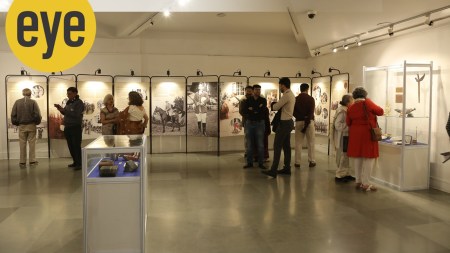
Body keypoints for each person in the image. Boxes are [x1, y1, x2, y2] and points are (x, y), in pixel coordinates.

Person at [346, 87, 384, 191]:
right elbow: (380, 111)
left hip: (355, 134)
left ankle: (358, 181)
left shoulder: (351, 107)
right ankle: (366, 183)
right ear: (365, 95)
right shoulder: (367, 103)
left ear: (354, 96)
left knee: (358, 157)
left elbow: (348, 122)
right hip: (367, 133)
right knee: (369, 158)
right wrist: (369, 101)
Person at [262, 77, 295, 178]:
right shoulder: (291, 94)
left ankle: (273, 170)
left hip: (284, 123)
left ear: (283, 85)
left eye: (280, 85)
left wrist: (272, 104)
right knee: (286, 146)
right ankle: (287, 168)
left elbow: (275, 107)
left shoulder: (286, 95)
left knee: (277, 146)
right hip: (288, 122)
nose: (279, 87)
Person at [55, 87, 84, 170]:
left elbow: (76, 114)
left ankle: (79, 163)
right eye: (67, 94)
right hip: (67, 127)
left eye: (70, 94)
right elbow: (66, 113)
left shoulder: (79, 103)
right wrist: (61, 109)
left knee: (76, 146)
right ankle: (75, 162)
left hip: (75, 127)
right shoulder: (69, 102)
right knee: (70, 146)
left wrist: (66, 111)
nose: (68, 95)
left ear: (75, 93)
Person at [11, 88, 42, 167]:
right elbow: (37, 114)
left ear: (23, 93)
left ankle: (22, 162)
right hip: (31, 125)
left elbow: (13, 114)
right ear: (30, 94)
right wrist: (37, 122)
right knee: (32, 143)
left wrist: (16, 123)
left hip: (21, 125)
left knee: (22, 143)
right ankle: (32, 161)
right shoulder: (33, 102)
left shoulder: (17, 102)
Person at [242, 84, 267, 170]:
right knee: (249, 144)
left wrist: (252, 109)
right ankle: (249, 163)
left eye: (259, 90)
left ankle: (261, 163)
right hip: (249, 123)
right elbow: (245, 110)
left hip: (260, 123)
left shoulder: (263, 100)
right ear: (253, 91)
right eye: (256, 90)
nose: (258, 91)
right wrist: (257, 109)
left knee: (260, 144)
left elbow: (262, 111)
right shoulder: (248, 100)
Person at [331, 94, 355, 182]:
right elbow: (338, 125)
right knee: (343, 155)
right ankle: (340, 175)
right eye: (352, 101)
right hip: (343, 137)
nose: (353, 102)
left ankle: (346, 173)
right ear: (348, 102)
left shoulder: (344, 110)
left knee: (346, 155)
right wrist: (350, 127)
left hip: (345, 136)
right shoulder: (342, 111)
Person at [293, 83, 316, 169]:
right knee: (311, 142)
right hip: (309, 122)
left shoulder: (296, 99)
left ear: (300, 89)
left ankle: (297, 162)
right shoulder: (311, 99)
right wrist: (306, 121)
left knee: (298, 143)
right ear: (307, 89)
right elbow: (311, 112)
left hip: (299, 121)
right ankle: (311, 160)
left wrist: (300, 117)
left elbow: (293, 112)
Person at [239, 86, 253, 157]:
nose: (249, 92)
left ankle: (252, 151)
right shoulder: (243, 99)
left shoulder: (254, 98)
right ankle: (247, 151)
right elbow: (241, 111)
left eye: (250, 91)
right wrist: (249, 115)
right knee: (247, 137)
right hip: (247, 121)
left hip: (254, 121)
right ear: (245, 91)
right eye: (248, 91)